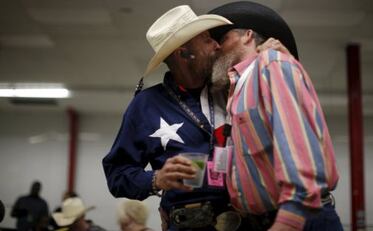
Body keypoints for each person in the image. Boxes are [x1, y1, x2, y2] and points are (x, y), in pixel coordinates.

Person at [208, 2, 343, 231]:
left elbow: (297, 146)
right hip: (265, 220)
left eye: (222, 37)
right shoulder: (239, 89)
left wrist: (290, 220)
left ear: (248, 35)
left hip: (299, 219)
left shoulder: (271, 65)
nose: (216, 47)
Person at [102, 5, 237, 231]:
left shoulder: (231, 92)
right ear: (183, 53)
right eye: (206, 40)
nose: (216, 45)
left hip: (242, 221)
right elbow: (116, 174)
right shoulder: (146, 105)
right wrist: (156, 179)